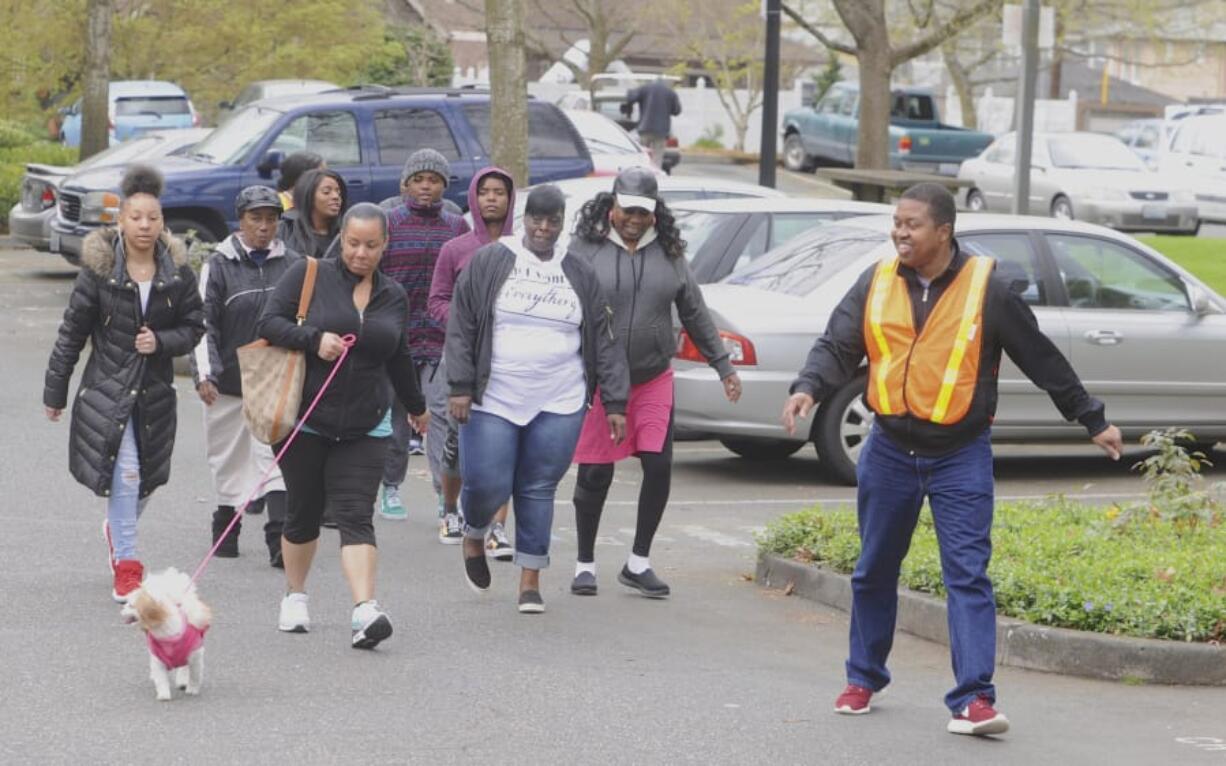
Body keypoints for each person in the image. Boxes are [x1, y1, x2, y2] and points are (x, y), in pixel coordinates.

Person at [780, 183, 1124, 736]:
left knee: (967, 575)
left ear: (944, 231)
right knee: (873, 570)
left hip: (960, 454)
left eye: (912, 224)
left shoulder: (987, 290)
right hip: (889, 448)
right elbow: (839, 343)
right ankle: (863, 677)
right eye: (897, 223)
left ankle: (973, 700)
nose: (900, 232)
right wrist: (808, 387)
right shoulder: (876, 282)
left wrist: (1091, 418)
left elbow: (1040, 356)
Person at [445, 185, 628, 614]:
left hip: (559, 396)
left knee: (538, 486)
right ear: (522, 219)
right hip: (495, 394)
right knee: (487, 482)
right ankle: (474, 533)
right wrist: (459, 385)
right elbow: (462, 323)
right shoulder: (492, 260)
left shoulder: (579, 272)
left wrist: (615, 402)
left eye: (553, 222)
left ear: (563, 223)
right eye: (536, 220)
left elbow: (603, 338)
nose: (543, 229)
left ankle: (531, 577)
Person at [257, 203, 427, 649]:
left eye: (371, 245)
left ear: (384, 245)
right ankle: (295, 594)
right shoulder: (309, 275)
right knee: (304, 512)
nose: (360, 253)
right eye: (353, 243)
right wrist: (314, 339)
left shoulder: (394, 296)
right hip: (306, 419)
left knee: (355, 514)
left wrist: (416, 406)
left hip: (366, 423)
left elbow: (400, 356)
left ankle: (364, 610)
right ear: (342, 239)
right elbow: (269, 323)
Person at [568, 167, 741, 599]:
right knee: (594, 474)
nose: (634, 219)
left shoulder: (668, 252)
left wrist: (723, 365)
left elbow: (695, 311)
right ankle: (584, 563)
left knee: (659, 465)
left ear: (653, 212)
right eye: (628, 210)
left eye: (643, 212)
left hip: (652, 376)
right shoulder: (585, 249)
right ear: (612, 207)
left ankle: (638, 561)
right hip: (601, 382)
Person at [43, 164, 205, 602]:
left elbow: (195, 326)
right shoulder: (99, 271)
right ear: (120, 221)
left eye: (152, 218)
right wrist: (54, 391)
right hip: (108, 390)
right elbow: (73, 331)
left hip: (154, 395)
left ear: (162, 222)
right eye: (136, 217)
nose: (145, 226)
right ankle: (128, 567)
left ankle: (118, 524)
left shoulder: (177, 274)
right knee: (129, 474)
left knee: (147, 480)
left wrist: (163, 341)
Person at [191, 186, 302, 568]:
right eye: (256, 218)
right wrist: (206, 373)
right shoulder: (218, 265)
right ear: (240, 221)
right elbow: (203, 324)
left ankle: (279, 541)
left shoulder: (293, 264)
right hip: (229, 379)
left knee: (274, 459)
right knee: (228, 458)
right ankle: (226, 525)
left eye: (271, 219)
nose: (264, 227)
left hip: (275, 378)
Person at [378, 148, 469, 542]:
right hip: (396, 336)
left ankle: (442, 496)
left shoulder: (456, 227)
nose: (426, 186)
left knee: (440, 418)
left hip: (440, 337)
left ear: (445, 186)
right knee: (396, 417)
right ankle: (390, 486)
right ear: (406, 185)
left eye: (434, 180)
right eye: (419, 179)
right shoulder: (390, 222)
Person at [429, 166, 516, 560]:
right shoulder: (456, 248)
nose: (492, 198)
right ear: (474, 200)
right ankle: (450, 511)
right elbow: (436, 301)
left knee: (508, 441)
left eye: (500, 192)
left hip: (510, 360)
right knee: (455, 441)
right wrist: (466, 326)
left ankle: (498, 526)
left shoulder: (523, 249)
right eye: (485, 193)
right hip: (462, 357)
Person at [276, 168, 347, 260]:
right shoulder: (284, 229)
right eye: (326, 192)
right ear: (308, 195)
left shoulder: (346, 232)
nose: (335, 197)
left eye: (339, 193)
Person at [623, 78, 680, 170]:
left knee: (643, 155)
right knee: (657, 157)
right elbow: (677, 111)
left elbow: (630, 97)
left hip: (645, 128)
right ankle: (656, 176)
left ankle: (642, 172)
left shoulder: (644, 88)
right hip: (662, 131)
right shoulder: (670, 92)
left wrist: (630, 104)